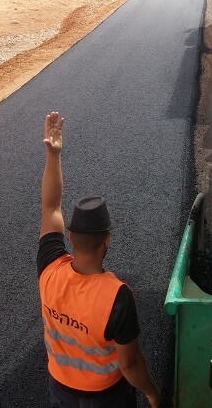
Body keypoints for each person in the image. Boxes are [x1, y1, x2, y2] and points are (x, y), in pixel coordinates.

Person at [37, 111, 161, 408]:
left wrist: (53, 155)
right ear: (107, 239)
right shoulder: (117, 297)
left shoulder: (50, 268)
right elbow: (129, 365)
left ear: (70, 238)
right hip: (106, 397)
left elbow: (51, 206)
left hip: (59, 388)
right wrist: (153, 393)